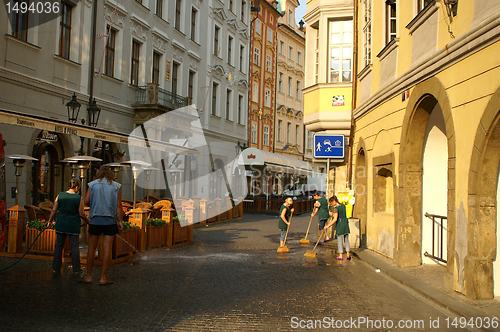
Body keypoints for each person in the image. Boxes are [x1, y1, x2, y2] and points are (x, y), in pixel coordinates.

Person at [82, 166, 124, 285]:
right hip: (109, 221)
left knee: (91, 249)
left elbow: (86, 201)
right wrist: (120, 221)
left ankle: (88, 276)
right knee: (107, 250)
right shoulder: (116, 186)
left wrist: (96, 201)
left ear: (99, 173)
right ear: (110, 174)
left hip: (95, 219)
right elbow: (118, 206)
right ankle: (103, 278)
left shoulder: (92, 185)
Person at [48, 179, 87, 276]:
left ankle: (55, 269)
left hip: (61, 223)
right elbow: (81, 213)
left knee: (58, 246)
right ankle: (76, 270)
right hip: (73, 225)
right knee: (74, 248)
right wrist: (88, 221)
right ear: (77, 187)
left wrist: (49, 221)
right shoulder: (79, 198)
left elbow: (54, 210)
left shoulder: (59, 195)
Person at [324, 195, 351, 261]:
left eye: (331, 203)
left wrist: (328, 225)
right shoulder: (343, 206)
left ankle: (340, 256)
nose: (331, 204)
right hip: (346, 224)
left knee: (339, 240)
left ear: (334, 201)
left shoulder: (336, 208)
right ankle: (348, 254)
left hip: (340, 224)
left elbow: (335, 219)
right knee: (346, 239)